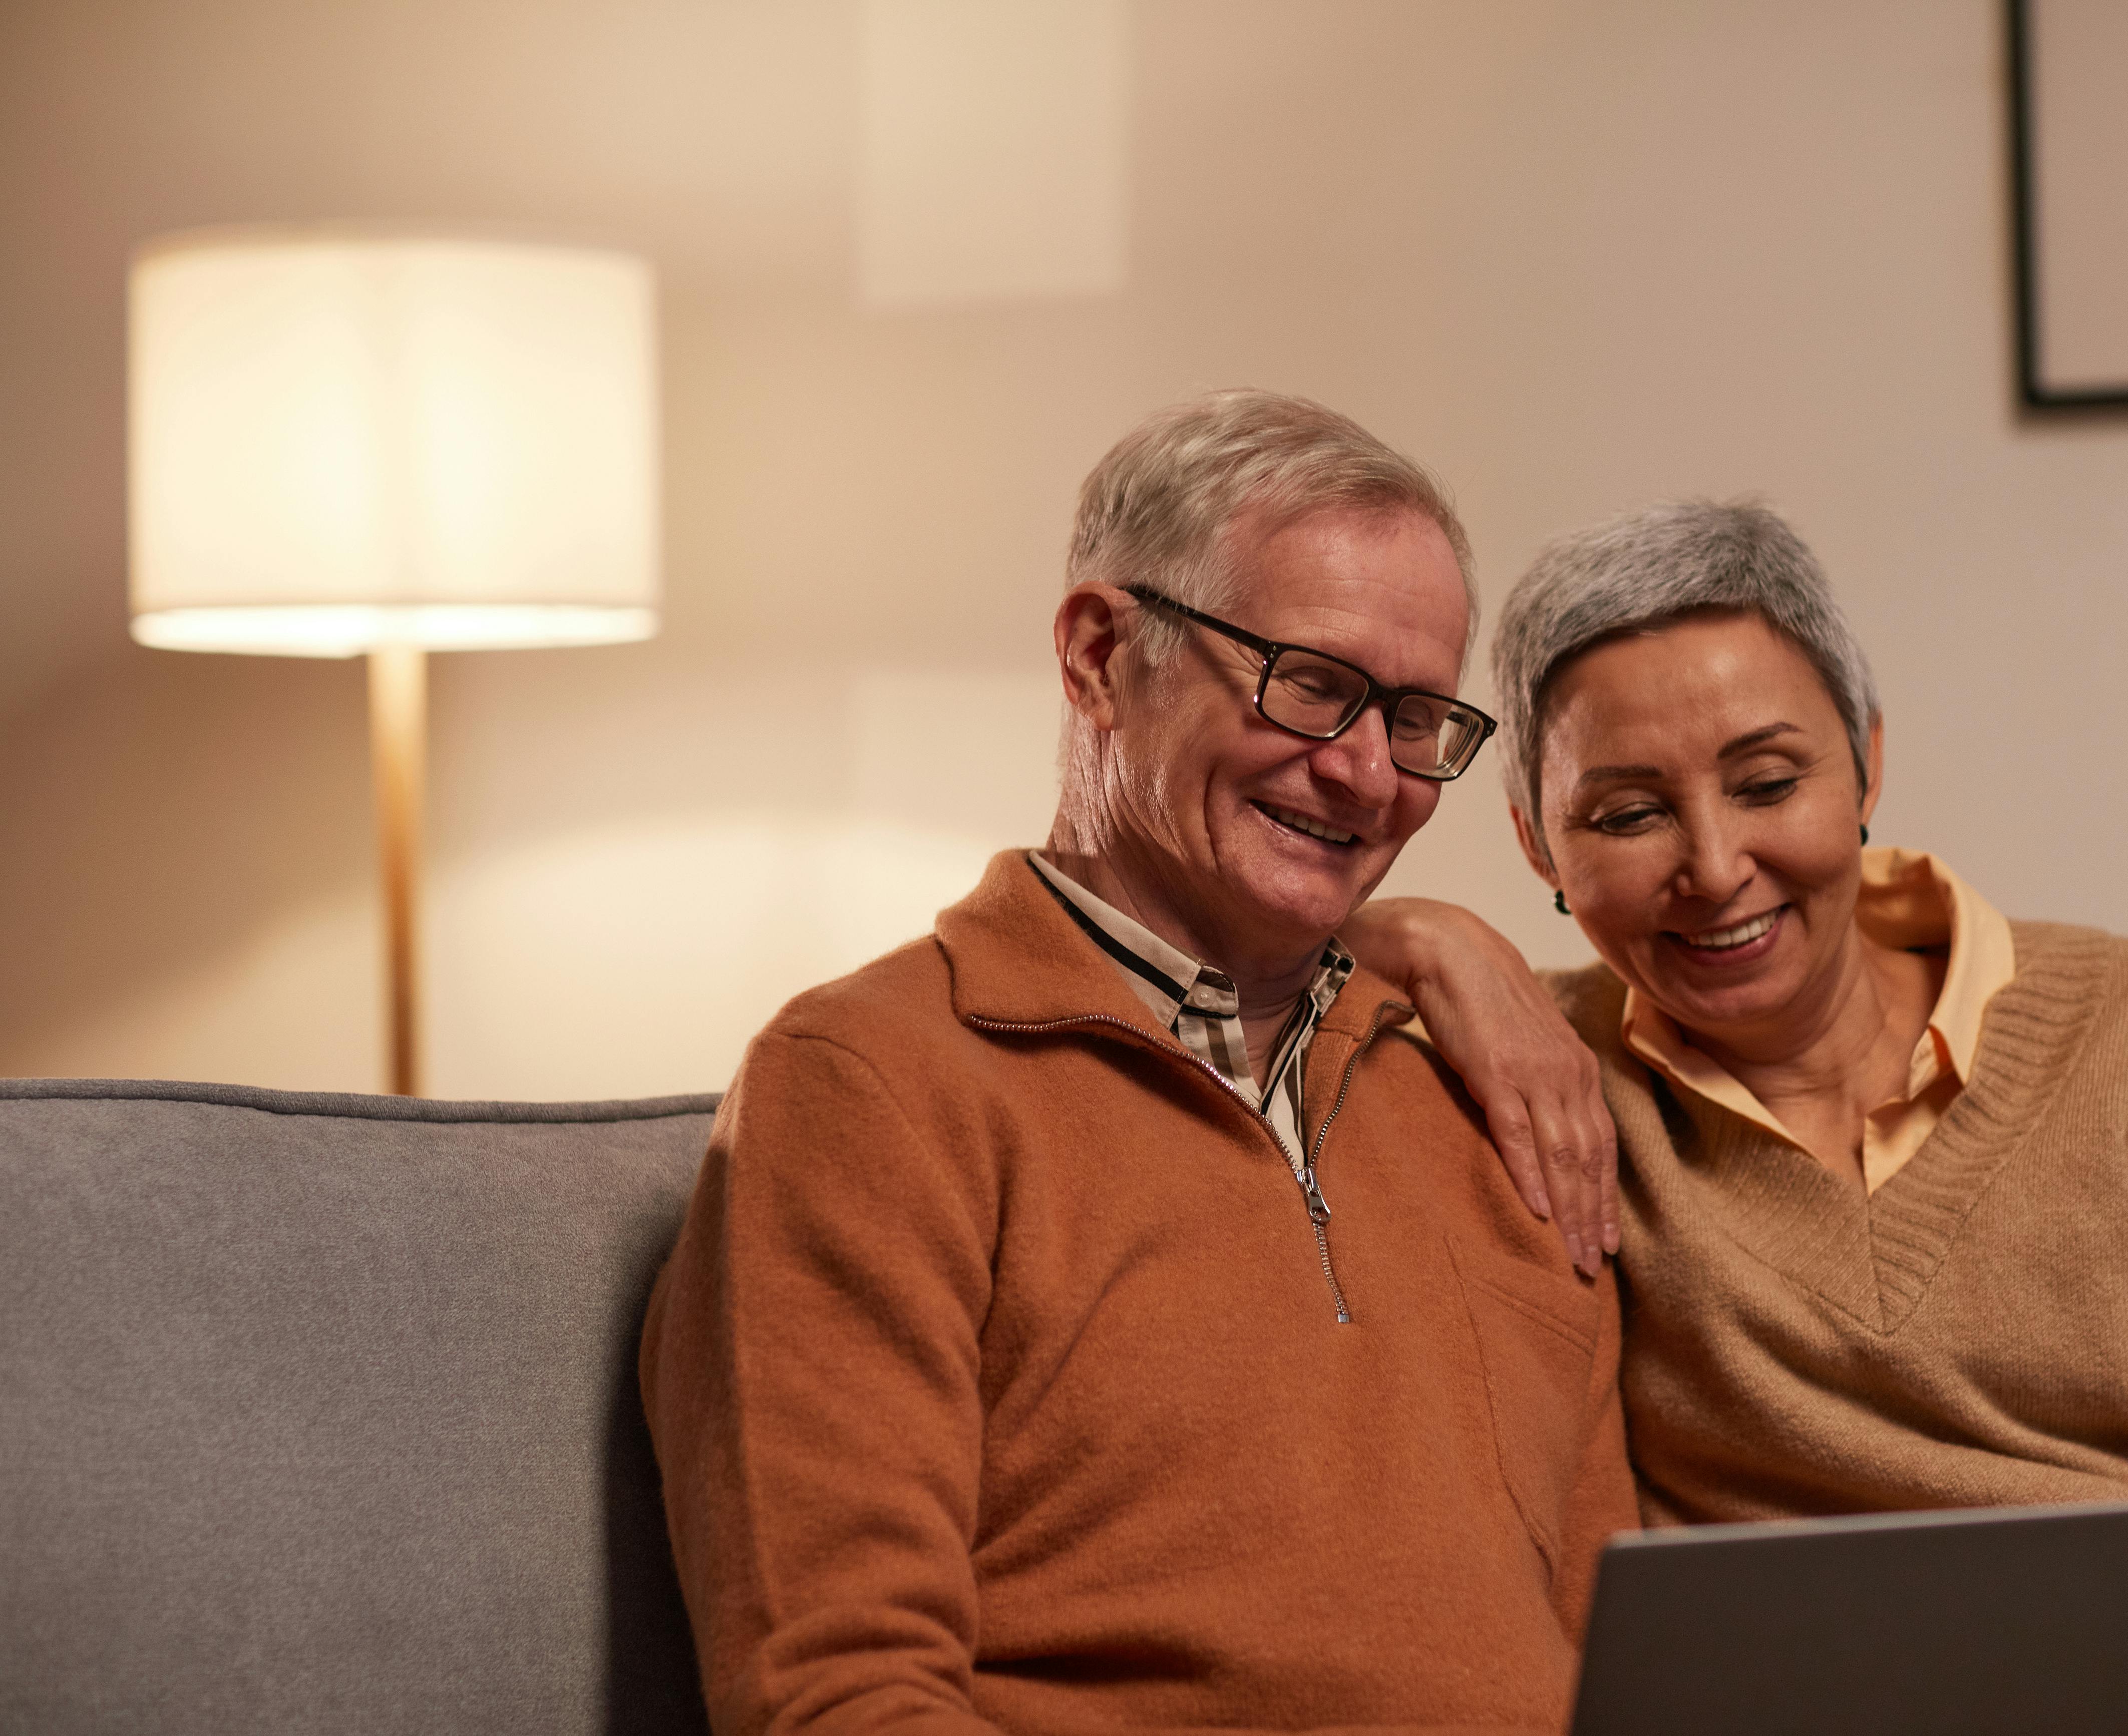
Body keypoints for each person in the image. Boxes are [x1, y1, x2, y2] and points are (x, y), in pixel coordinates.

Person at [1346, 501, 2128, 1736]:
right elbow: (1175, 949)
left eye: (1767, 782)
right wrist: (1414, 934)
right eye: (1626, 815)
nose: (1716, 866)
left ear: (1866, 765)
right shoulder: (1536, 1085)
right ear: (1533, 845)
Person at [638, 390, 1637, 1736]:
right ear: (1104, 656)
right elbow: (841, 1696)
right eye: (1314, 685)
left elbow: (1626, 1666)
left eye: (1413, 718)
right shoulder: (869, 1086)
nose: (1365, 775)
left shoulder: (1500, 1094)